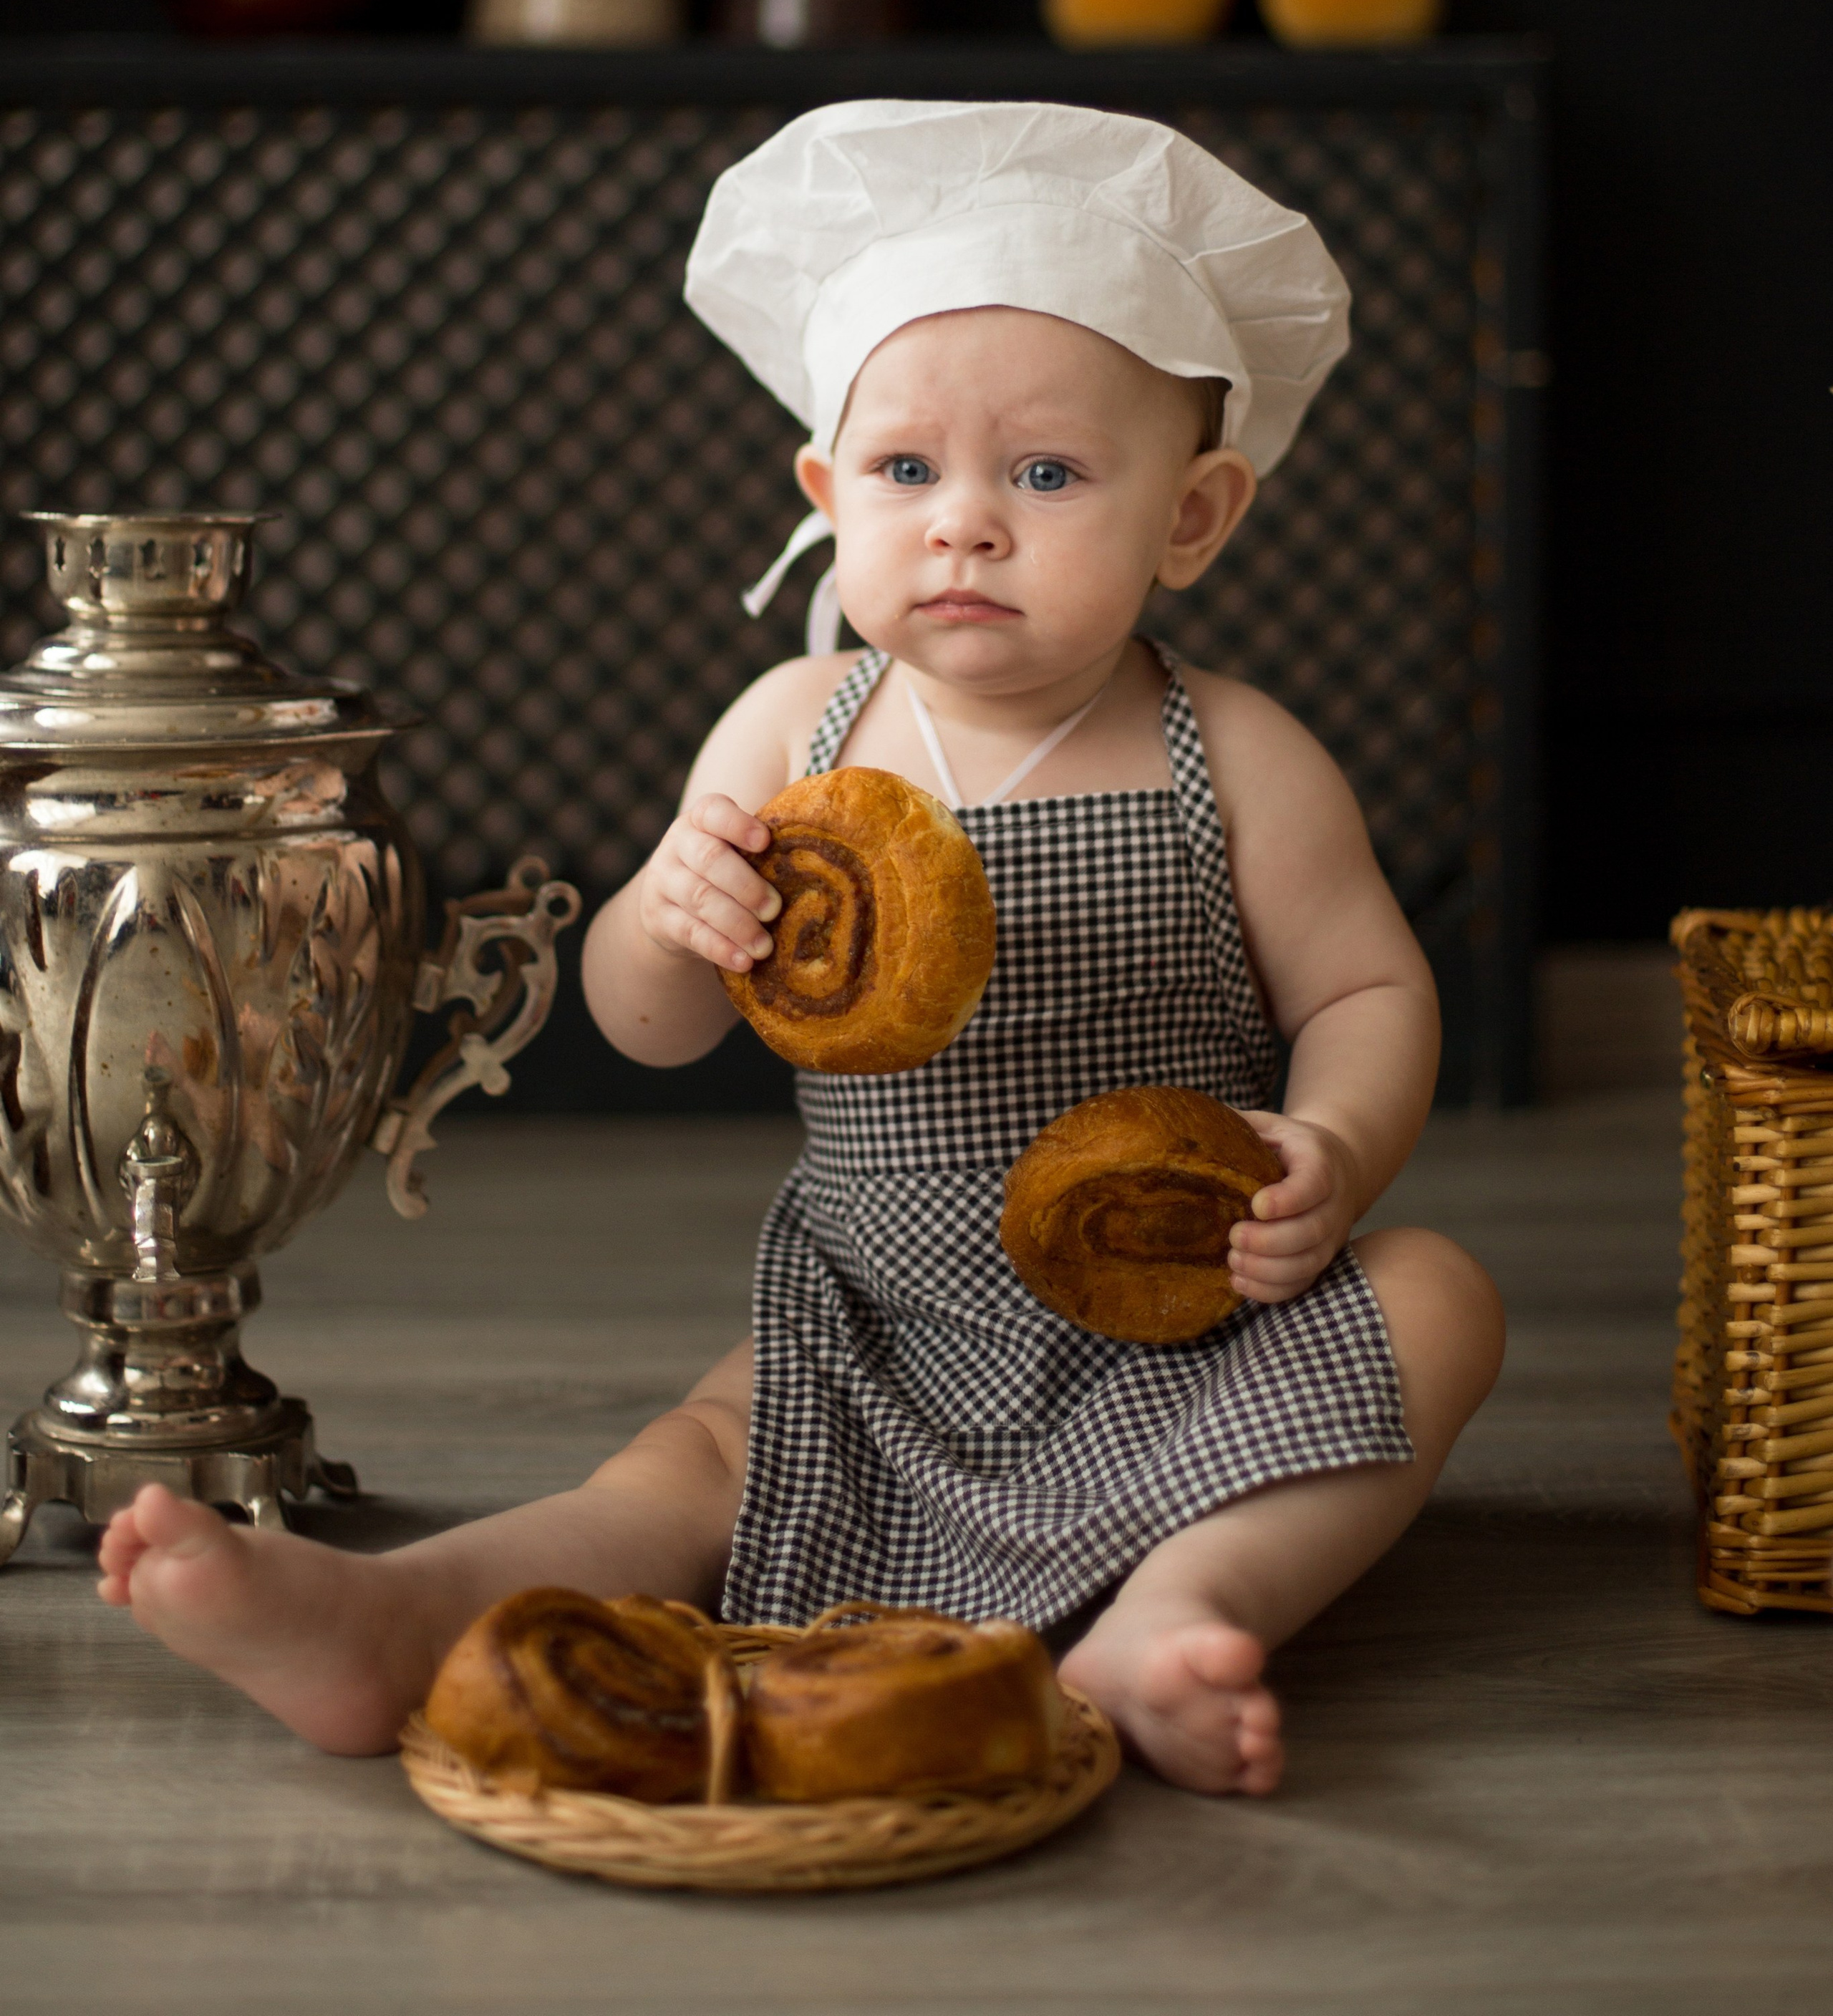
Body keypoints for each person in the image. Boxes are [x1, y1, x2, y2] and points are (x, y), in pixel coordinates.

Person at [96, 100, 1503, 1796]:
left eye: (1045, 475)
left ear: (1192, 517)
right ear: (828, 495)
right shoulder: (792, 730)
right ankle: (402, 1617)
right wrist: (665, 920)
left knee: (1435, 1300)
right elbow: (647, 1025)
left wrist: (1332, 1151)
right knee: (688, 1464)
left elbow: (1366, 989)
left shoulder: (1241, 757)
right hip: (877, 1316)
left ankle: (1187, 1605)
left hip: (1191, 1319)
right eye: (906, 472)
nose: (962, 523)